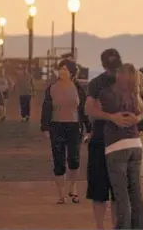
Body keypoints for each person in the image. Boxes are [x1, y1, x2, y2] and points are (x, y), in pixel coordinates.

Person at [84, 49, 139, 230]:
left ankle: (117, 225)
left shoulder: (126, 81)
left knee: (118, 193)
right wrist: (111, 117)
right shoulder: (97, 84)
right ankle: (101, 227)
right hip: (101, 140)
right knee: (100, 191)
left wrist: (137, 118)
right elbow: (89, 109)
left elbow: (141, 103)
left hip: (120, 143)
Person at [98, 63, 143, 230]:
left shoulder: (109, 93)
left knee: (121, 194)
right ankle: (139, 227)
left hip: (116, 145)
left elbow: (96, 111)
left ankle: (123, 227)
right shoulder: (135, 95)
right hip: (135, 144)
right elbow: (142, 112)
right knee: (136, 192)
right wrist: (137, 119)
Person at [40, 60, 91, 204]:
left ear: (72, 73)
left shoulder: (79, 89)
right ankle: (61, 193)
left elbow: (84, 110)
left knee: (74, 159)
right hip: (57, 127)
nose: (62, 72)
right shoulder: (52, 88)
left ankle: (73, 187)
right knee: (58, 160)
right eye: (60, 69)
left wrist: (89, 128)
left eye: (65, 69)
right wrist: (45, 127)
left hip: (74, 127)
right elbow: (46, 108)